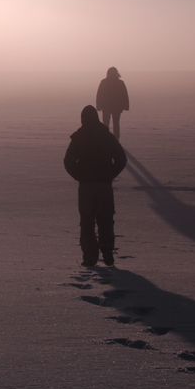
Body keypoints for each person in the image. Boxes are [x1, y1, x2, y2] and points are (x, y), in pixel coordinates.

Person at [63, 105, 127, 267]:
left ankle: (90, 257)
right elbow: (121, 159)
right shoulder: (106, 136)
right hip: (103, 186)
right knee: (105, 220)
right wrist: (109, 175)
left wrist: (80, 176)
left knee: (87, 222)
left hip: (87, 187)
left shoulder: (79, 137)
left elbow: (68, 161)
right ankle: (107, 255)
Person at [95, 66, 130, 140]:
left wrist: (98, 105)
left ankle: (106, 139)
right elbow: (124, 95)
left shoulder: (104, 82)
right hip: (116, 107)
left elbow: (99, 95)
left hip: (106, 107)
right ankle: (116, 140)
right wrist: (126, 106)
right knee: (116, 124)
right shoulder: (120, 83)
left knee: (106, 124)